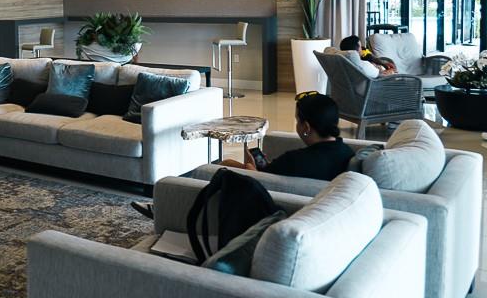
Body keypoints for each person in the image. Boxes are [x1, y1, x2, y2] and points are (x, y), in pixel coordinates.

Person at [131, 92, 355, 219]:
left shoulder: (296, 159)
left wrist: (251, 167)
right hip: (299, 189)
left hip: (261, 191)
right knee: (227, 162)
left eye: (297, 121)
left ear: (305, 127)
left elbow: (261, 178)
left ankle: (168, 210)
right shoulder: (346, 152)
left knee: (213, 170)